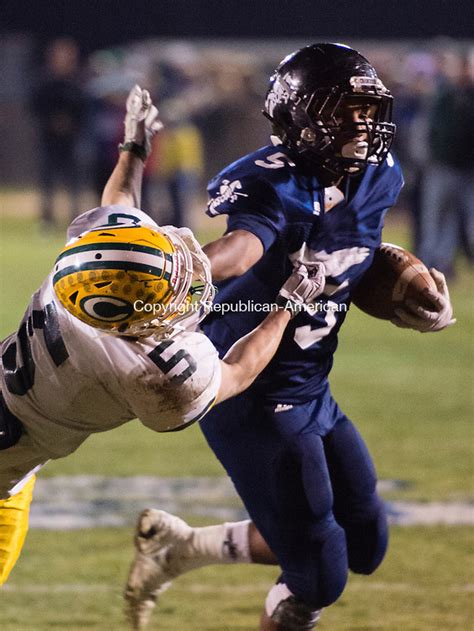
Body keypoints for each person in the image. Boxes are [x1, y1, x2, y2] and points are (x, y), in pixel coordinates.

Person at [124, 44, 455, 630]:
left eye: (365, 108)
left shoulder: (379, 176)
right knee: (319, 580)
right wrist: (185, 263)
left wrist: (410, 296)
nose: (361, 122)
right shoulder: (270, 182)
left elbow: (355, 261)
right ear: (299, 116)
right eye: (343, 109)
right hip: (251, 394)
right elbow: (246, 246)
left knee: (366, 546)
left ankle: (178, 549)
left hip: (310, 386)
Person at [0, 86, 327, 586]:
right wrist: (284, 310)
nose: (187, 282)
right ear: (139, 320)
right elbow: (235, 374)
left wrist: (133, 147)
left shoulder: (87, 271)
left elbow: (120, 203)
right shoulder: (158, 372)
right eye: (171, 284)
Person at [29, 38, 88, 229]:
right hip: (49, 139)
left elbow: (85, 108)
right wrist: (51, 121)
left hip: (73, 139)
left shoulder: (78, 81)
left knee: (74, 182)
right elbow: (34, 106)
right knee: (48, 181)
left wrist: (71, 123)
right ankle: (47, 219)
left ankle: (75, 219)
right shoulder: (44, 80)